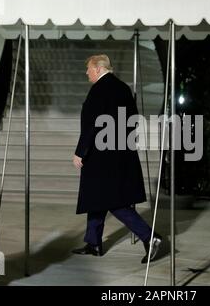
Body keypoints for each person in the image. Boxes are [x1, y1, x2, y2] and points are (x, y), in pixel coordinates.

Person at [71, 54, 162, 263]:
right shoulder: (123, 88)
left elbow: (91, 125)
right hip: (120, 153)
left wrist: (80, 152)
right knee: (98, 198)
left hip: (101, 156)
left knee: (114, 201)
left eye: (88, 69)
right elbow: (133, 120)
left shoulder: (98, 90)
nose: (86, 73)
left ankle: (150, 237)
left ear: (97, 68)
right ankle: (93, 242)